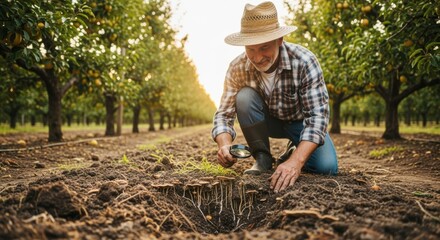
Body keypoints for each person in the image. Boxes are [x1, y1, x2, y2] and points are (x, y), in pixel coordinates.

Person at [211, 1, 338, 193]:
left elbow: (318, 118)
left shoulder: (304, 61)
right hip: (265, 123)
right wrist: (225, 144)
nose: (257, 57)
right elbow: (223, 114)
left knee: (326, 167)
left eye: (264, 48)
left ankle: (294, 150)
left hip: (300, 123)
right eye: (250, 49)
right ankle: (263, 158)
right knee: (244, 97)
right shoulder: (237, 67)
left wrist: (296, 162)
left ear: (280, 40)